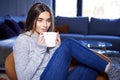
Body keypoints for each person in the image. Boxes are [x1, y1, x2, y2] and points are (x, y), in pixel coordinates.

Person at [13, 2, 111, 80]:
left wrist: (56, 48)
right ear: (32, 19)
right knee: (68, 43)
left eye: (48, 20)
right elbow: (23, 78)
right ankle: (111, 70)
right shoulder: (23, 40)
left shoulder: (47, 36)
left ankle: (105, 68)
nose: (45, 25)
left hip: (55, 76)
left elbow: (50, 65)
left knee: (90, 68)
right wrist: (40, 49)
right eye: (40, 20)